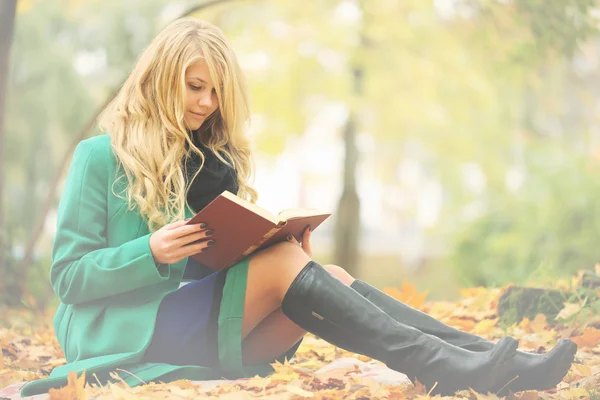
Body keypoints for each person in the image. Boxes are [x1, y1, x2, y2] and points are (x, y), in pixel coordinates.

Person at [20, 17, 577, 398]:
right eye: (194, 88)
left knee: (325, 272)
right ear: (160, 80)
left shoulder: (205, 161)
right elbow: (68, 277)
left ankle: (487, 359)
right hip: (121, 333)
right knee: (293, 270)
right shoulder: (100, 157)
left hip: (189, 322)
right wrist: (151, 251)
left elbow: (208, 266)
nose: (206, 103)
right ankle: (445, 368)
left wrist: (275, 250)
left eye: (215, 93)